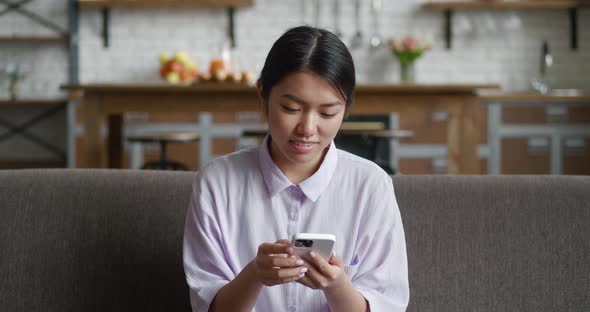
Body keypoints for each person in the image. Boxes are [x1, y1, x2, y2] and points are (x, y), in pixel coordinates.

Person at [183, 26, 409, 312]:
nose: (307, 129)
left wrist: (337, 286)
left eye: (328, 113)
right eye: (291, 108)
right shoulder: (216, 184)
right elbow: (208, 307)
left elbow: (386, 304)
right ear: (262, 93)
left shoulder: (371, 186)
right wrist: (254, 275)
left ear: (346, 108)